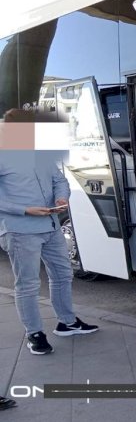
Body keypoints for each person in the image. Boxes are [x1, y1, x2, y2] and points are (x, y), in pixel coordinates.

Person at [0, 152, 99, 355]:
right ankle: (34, 334)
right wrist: (25, 209)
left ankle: (67, 323)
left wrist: (62, 197)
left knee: (63, 274)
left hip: (51, 226)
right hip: (20, 230)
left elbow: (59, 180)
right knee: (28, 284)